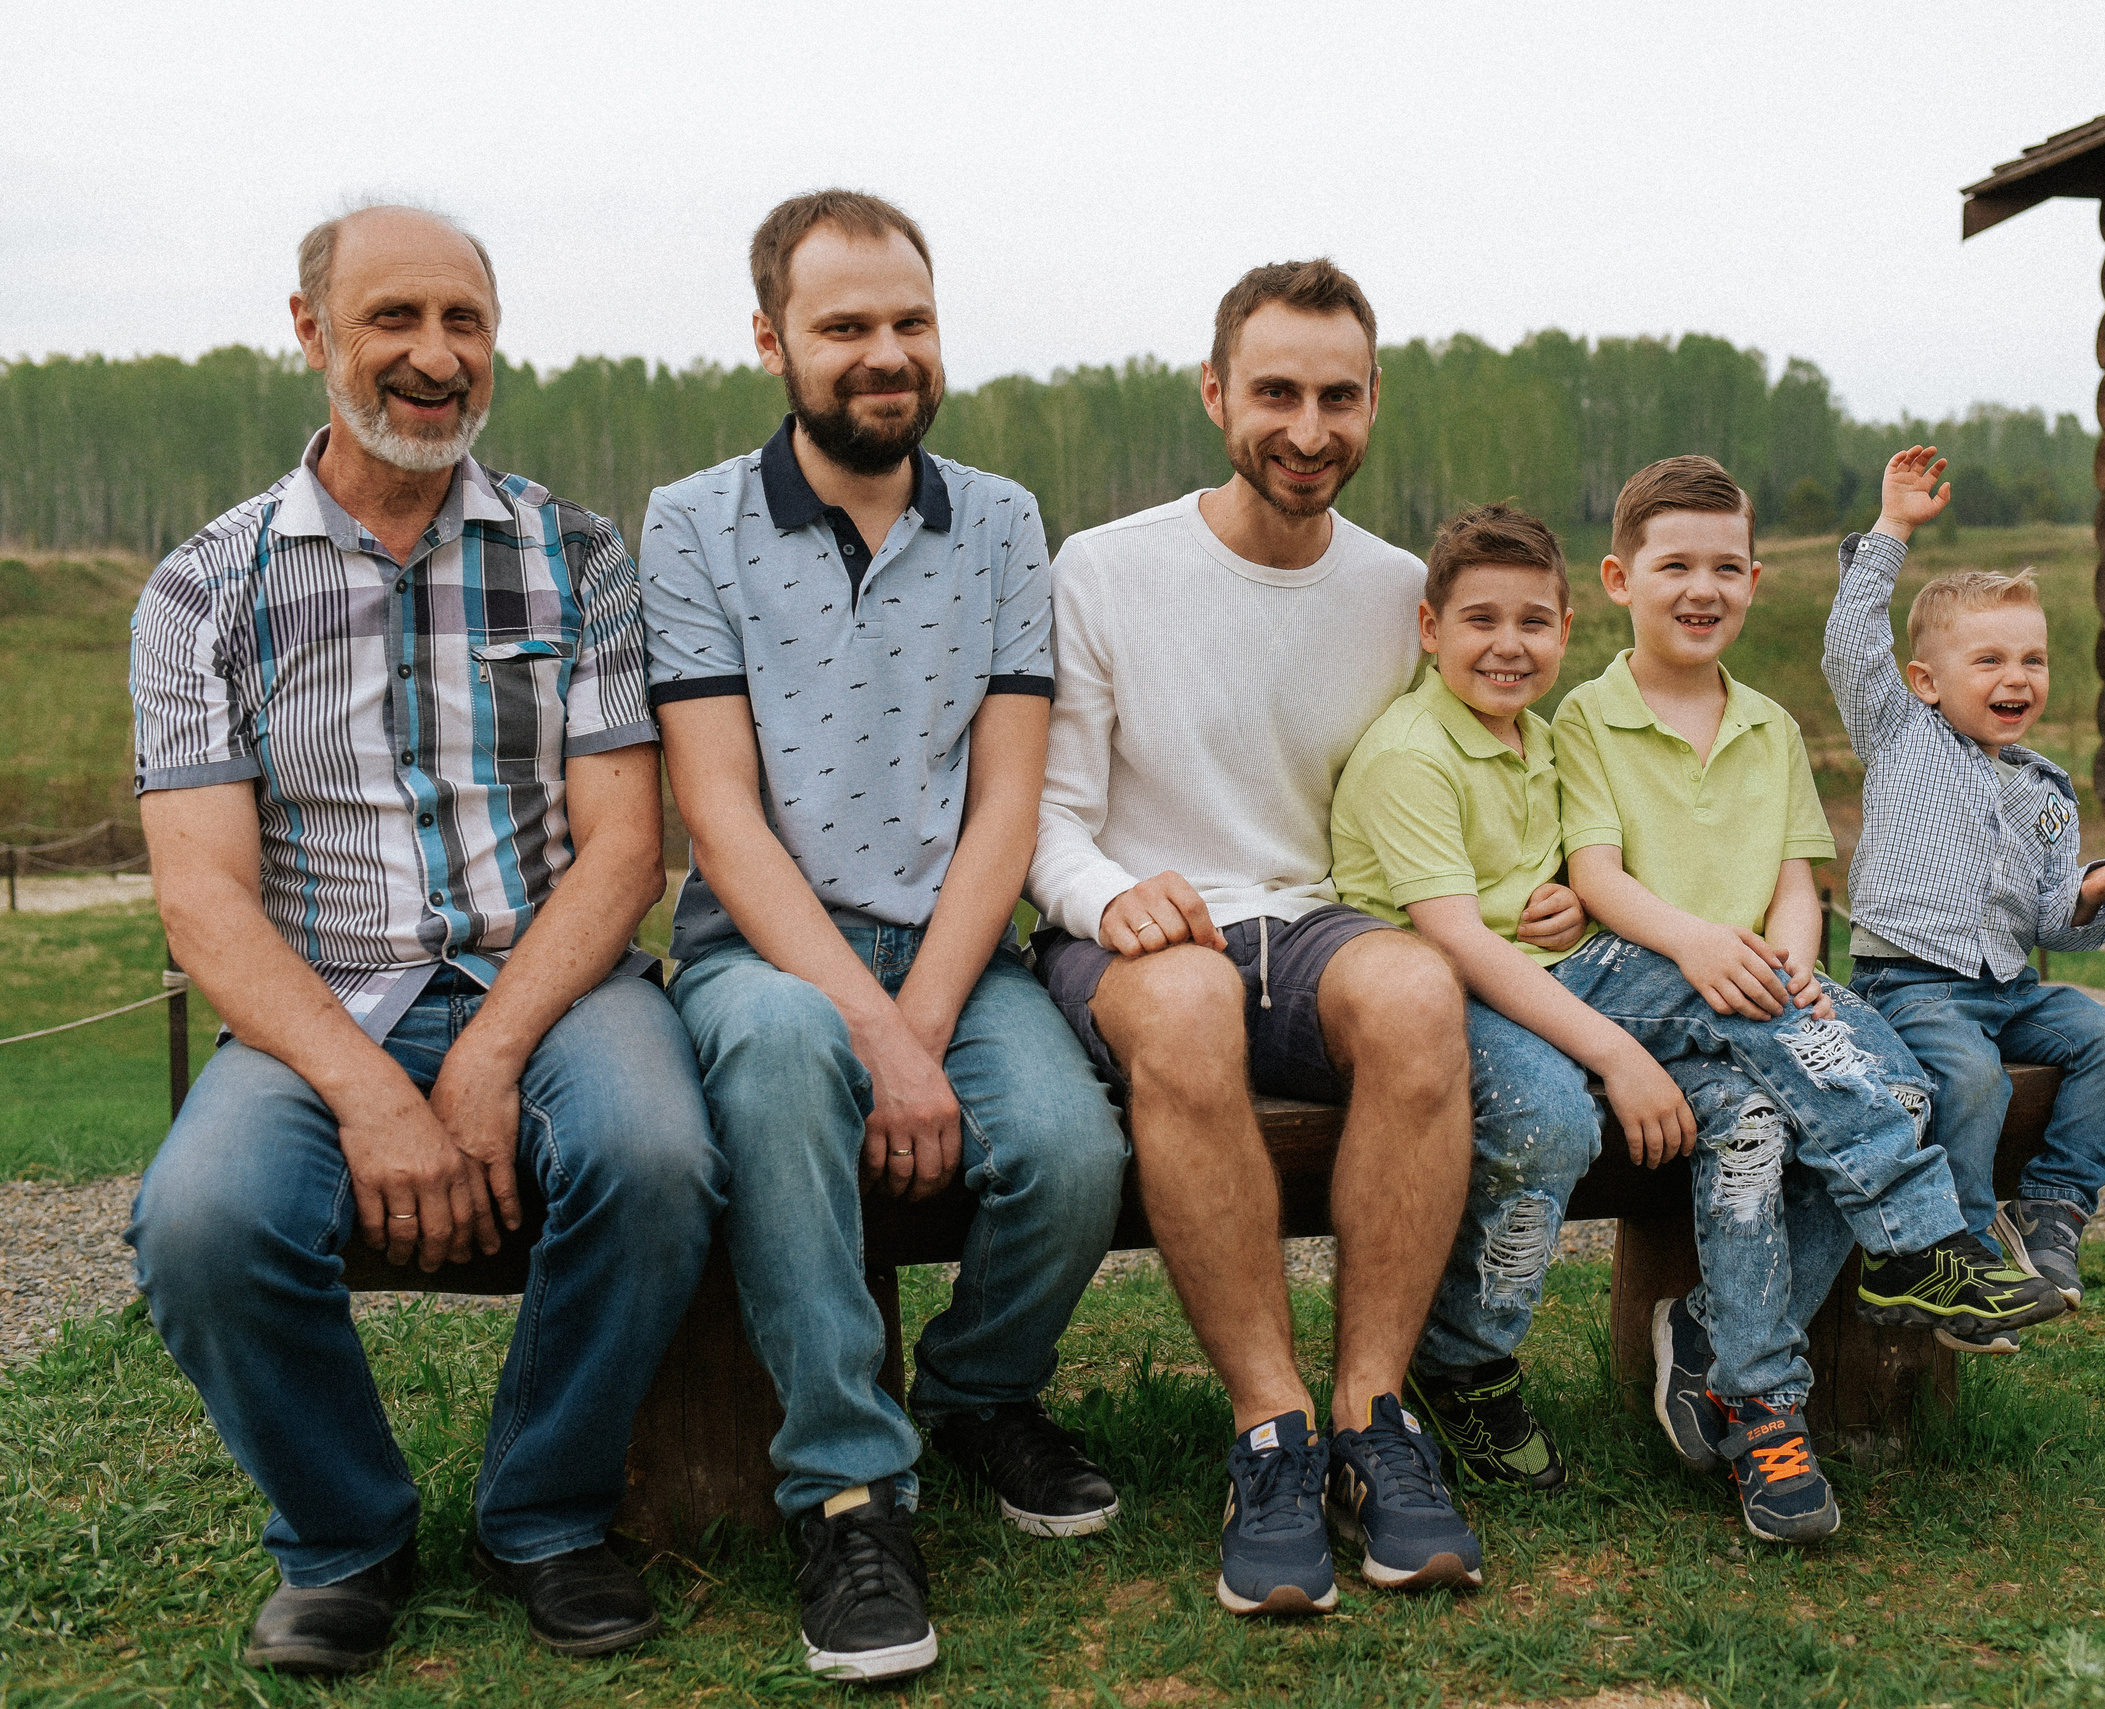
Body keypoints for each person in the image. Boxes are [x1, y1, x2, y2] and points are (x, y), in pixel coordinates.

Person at [124, 204, 723, 1676]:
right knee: (201, 1221)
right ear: (312, 331)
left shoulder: (580, 554)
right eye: (394, 320)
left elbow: (626, 849)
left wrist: (494, 1051)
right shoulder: (204, 590)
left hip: (553, 974)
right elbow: (205, 899)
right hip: (321, 992)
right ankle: (343, 1540)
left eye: (464, 322)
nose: (434, 358)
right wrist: (378, 1093)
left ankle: (548, 1516)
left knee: (655, 1158)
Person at [1027, 260, 1595, 1617]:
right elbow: (1048, 815)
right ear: (1216, 394)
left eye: (1338, 397)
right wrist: (1105, 897)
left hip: (1321, 923)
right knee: (1183, 1008)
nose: (1307, 426)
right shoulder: (1105, 569)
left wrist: (1554, 876)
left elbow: (1459, 765)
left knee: (1414, 993)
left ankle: (1373, 1419)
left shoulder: (1398, 589)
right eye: (1274, 391)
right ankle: (1268, 1431)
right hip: (1141, 931)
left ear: (1372, 403)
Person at [638, 191, 1127, 1685]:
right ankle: (849, 1489)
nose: (884, 353)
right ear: (775, 340)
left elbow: (1005, 803)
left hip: (955, 946)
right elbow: (719, 814)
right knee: (788, 1061)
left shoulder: (999, 518)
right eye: (846, 326)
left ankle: (979, 1396)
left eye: (908, 321)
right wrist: (869, 1027)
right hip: (763, 951)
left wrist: (921, 1018)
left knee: (1073, 1153)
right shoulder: (690, 524)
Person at [1551, 457, 2072, 1539]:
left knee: (1859, 1097)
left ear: (1750, 579)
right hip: (1637, 982)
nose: (1705, 586)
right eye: (1675, 564)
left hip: (1756, 1003)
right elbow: (1596, 877)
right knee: (1856, 1092)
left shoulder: (1770, 726)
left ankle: (1744, 1385)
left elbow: (1798, 877)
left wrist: (1795, 965)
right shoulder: (1585, 721)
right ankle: (1926, 1241)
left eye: (1728, 566)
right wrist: (1702, 945)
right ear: (1618, 578)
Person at [1823, 445, 2105, 1309]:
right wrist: (1893, 527)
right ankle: (1961, 1253)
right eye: (1991, 662)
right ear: (1925, 681)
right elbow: (1852, 644)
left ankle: (2051, 1209)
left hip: (2008, 985)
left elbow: (2049, 916)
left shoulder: (2045, 787)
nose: (2017, 678)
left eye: (2033, 661)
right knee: (1970, 1081)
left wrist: (2091, 893)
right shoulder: (1900, 732)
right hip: (1911, 985)